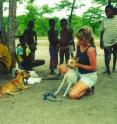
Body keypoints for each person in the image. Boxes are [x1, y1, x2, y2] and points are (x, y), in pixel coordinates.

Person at [69, 27, 97, 99]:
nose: (79, 41)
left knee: (72, 95)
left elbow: (93, 68)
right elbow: (76, 56)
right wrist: (72, 60)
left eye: (81, 39)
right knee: (62, 68)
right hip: (79, 73)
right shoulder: (79, 44)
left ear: (87, 39)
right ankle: (81, 85)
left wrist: (77, 65)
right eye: (78, 39)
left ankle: (89, 88)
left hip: (89, 76)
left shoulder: (90, 50)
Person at [100, 4, 117, 75]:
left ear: (113, 11)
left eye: (108, 11)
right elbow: (101, 31)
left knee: (115, 54)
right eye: (105, 12)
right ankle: (107, 69)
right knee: (107, 56)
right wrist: (101, 42)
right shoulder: (104, 20)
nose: (107, 13)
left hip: (115, 41)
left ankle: (113, 68)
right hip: (106, 41)